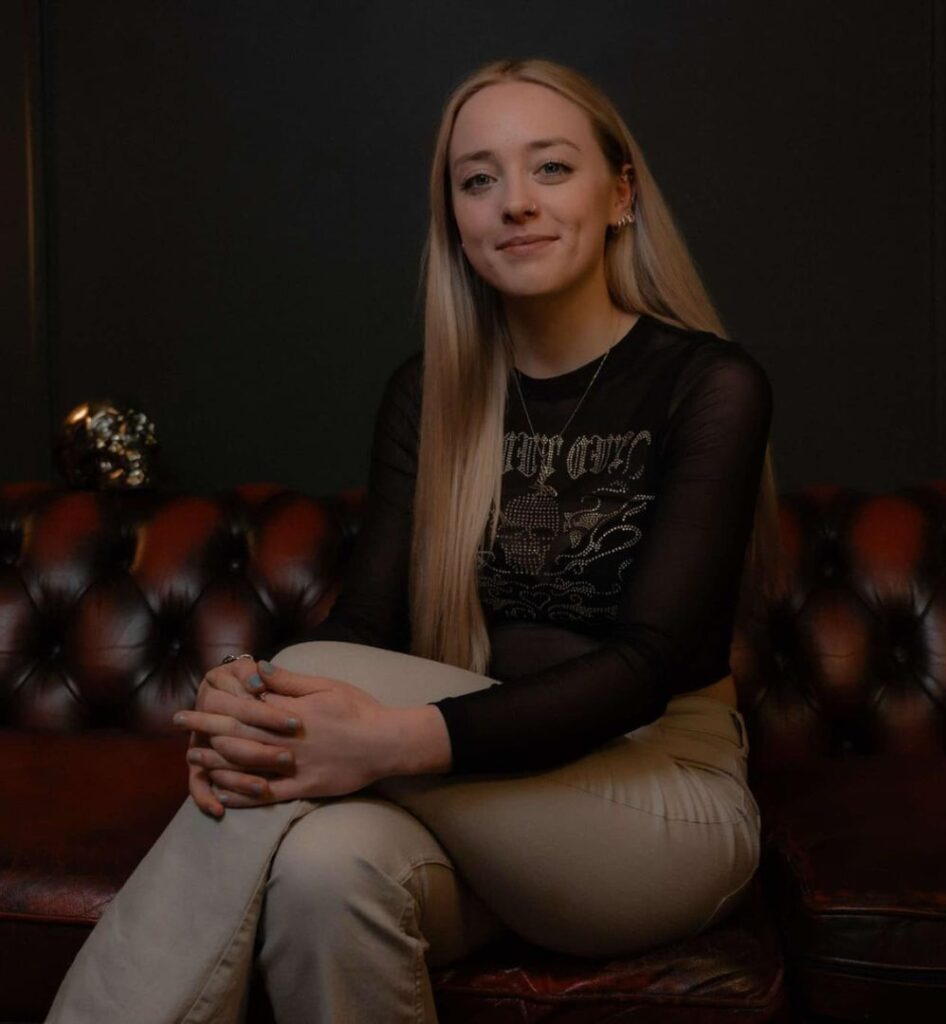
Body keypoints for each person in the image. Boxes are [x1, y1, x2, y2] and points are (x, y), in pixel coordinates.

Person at [45, 56, 781, 1024]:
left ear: (620, 195)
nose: (515, 202)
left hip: (659, 805)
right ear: (456, 220)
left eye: (551, 167)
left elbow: (653, 662)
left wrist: (375, 735)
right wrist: (245, 693)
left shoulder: (709, 383)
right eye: (478, 179)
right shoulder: (427, 394)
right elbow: (367, 626)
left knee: (299, 685)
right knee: (322, 870)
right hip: (490, 797)